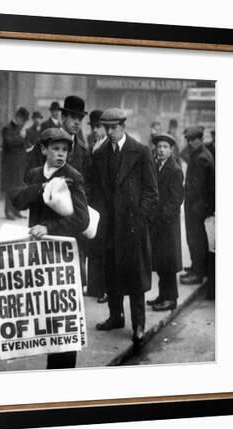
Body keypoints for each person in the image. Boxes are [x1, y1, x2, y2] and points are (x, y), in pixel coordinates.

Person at [12, 127, 89, 369]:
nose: (61, 154)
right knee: (44, 313)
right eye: (55, 149)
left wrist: (48, 227)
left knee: (64, 318)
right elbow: (18, 202)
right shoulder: (35, 173)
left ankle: (63, 371)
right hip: (40, 255)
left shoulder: (73, 176)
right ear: (43, 150)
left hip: (63, 255)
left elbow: (82, 219)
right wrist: (41, 187)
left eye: (65, 150)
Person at [87, 108, 158, 346]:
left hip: (132, 227)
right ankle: (115, 317)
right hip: (109, 226)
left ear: (123, 126)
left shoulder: (140, 151)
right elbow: (95, 190)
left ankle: (138, 324)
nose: (110, 132)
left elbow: (151, 191)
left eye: (114, 128)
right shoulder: (100, 154)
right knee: (112, 275)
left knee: (136, 278)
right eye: (106, 128)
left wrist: (141, 219)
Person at [147, 133, 184, 311]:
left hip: (167, 225)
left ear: (171, 150)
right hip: (159, 224)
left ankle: (171, 299)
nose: (161, 150)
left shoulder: (175, 170)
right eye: (159, 147)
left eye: (165, 147)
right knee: (161, 263)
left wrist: (161, 216)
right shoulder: (157, 165)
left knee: (168, 264)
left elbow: (176, 200)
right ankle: (163, 295)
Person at [180, 126, 215, 285]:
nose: (189, 143)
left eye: (192, 140)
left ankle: (197, 273)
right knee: (196, 238)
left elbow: (196, 187)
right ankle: (196, 267)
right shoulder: (202, 153)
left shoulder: (200, 157)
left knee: (195, 239)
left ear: (199, 139)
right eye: (188, 140)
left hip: (196, 206)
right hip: (199, 205)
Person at [84, 109, 108, 302]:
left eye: (99, 127)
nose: (96, 131)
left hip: (106, 204)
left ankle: (105, 289)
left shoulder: (107, 147)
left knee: (105, 246)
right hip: (94, 202)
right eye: (94, 127)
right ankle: (94, 286)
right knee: (94, 244)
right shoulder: (94, 145)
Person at [1, 107, 30, 220]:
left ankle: (16, 210)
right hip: (10, 165)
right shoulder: (7, 129)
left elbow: (24, 144)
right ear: (18, 118)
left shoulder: (19, 129)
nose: (23, 124)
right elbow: (9, 142)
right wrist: (21, 138)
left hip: (19, 164)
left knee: (18, 187)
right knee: (10, 188)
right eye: (23, 120)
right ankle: (8, 211)